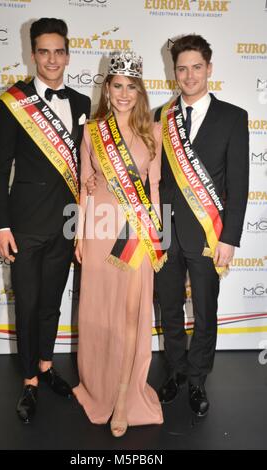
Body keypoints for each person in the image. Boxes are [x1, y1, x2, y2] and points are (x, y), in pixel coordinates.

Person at [0, 17, 91, 424]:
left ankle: (47, 367)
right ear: (33, 55)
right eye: (44, 51)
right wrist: (1, 225)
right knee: (28, 305)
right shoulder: (12, 101)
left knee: (51, 304)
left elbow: (86, 167)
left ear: (67, 54)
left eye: (59, 51)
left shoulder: (82, 103)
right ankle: (29, 380)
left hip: (66, 223)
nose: (52, 59)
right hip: (25, 224)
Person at [155, 34, 249, 417]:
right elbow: (153, 180)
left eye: (197, 67)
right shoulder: (160, 117)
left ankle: (197, 378)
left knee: (206, 309)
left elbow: (239, 184)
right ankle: (176, 370)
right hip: (165, 231)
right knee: (170, 307)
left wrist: (230, 237)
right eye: (182, 68)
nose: (189, 75)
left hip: (209, 234)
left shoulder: (233, 117)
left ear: (209, 69)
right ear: (173, 72)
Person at [73, 51, 166, 437]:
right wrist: (78, 233)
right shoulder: (92, 131)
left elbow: (155, 188)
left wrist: (156, 239)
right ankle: (102, 388)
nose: (124, 93)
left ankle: (125, 397)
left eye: (131, 86)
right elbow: (84, 184)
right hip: (98, 229)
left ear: (139, 91)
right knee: (100, 317)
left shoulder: (153, 132)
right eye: (117, 86)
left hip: (136, 234)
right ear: (107, 89)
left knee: (130, 317)